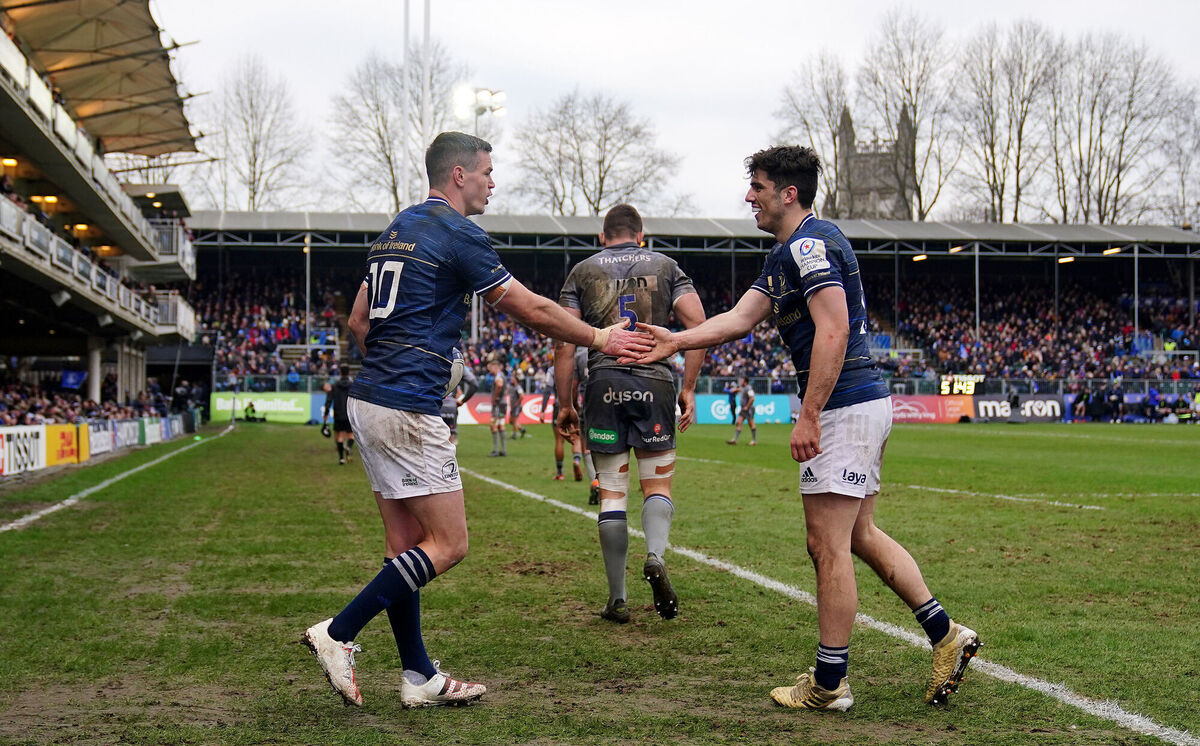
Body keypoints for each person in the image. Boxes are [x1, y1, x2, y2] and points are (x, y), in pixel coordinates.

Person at [301, 131, 649, 709]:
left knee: (403, 545)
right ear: (458, 175)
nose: (494, 181)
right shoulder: (458, 232)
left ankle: (418, 676)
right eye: (488, 171)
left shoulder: (398, 228)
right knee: (450, 543)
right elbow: (526, 306)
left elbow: (360, 319)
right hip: (407, 404)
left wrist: (409, 361)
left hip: (372, 397)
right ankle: (337, 633)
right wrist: (597, 335)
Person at [629, 146, 979, 709]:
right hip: (860, 404)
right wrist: (674, 340)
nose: (750, 197)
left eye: (758, 187)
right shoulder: (785, 255)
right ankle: (946, 635)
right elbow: (739, 320)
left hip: (844, 407)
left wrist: (810, 413)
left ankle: (829, 683)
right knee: (859, 536)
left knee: (827, 545)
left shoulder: (811, 245)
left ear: (788, 193)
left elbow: (834, 329)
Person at [556, 203, 706, 624]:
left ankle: (618, 599)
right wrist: (689, 388)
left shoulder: (583, 270)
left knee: (612, 494)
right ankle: (655, 556)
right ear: (641, 236)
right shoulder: (666, 265)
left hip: (603, 383)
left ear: (603, 237)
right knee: (657, 484)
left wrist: (565, 403)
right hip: (655, 381)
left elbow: (564, 343)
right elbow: (696, 325)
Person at [440, 350, 478, 445]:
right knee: (450, 438)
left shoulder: (433, 353)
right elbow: (474, 384)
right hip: (451, 405)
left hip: (435, 403)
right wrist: (462, 401)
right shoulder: (457, 358)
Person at [323, 366, 356, 464]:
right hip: (349, 414)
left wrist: (326, 414)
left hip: (338, 414)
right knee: (351, 435)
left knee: (339, 437)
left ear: (340, 373)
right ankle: (349, 447)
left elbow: (329, 401)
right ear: (348, 373)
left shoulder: (334, 386)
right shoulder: (352, 385)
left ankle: (341, 459)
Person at [486, 354, 508, 456]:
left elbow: (499, 385)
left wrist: (495, 398)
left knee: (493, 425)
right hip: (503, 403)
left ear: (495, 367)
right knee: (500, 425)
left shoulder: (498, 376)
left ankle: (496, 450)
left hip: (499, 404)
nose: (489, 369)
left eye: (490, 367)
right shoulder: (502, 375)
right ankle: (503, 450)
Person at [727, 375, 757, 445]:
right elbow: (741, 389)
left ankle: (754, 440)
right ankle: (735, 439)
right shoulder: (744, 388)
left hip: (748, 409)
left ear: (745, 382)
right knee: (738, 422)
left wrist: (747, 406)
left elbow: (752, 398)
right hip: (743, 409)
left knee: (751, 423)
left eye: (742, 380)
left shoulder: (749, 388)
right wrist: (735, 390)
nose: (740, 382)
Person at [507, 369, 527, 439]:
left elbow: (522, 396)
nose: (511, 379)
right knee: (511, 421)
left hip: (516, 406)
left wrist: (517, 403)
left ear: (516, 380)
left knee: (515, 420)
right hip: (513, 406)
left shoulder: (518, 387)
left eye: (513, 378)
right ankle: (521, 429)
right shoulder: (512, 387)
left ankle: (514, 435)